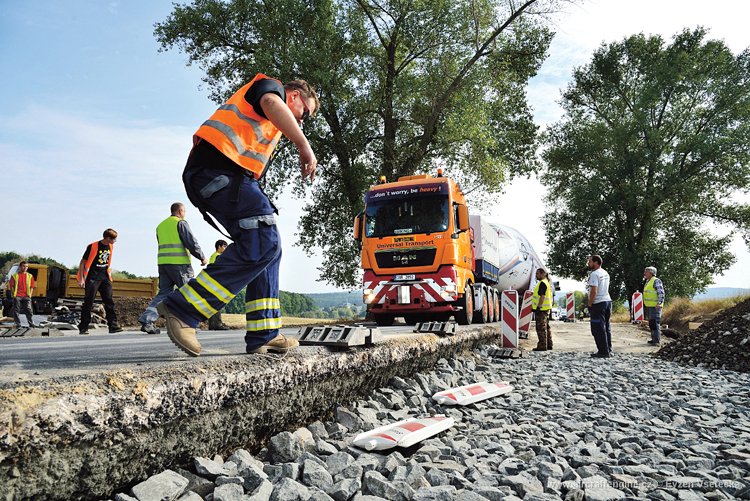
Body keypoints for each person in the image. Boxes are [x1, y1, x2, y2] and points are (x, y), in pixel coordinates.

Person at [156, 74, 319, 357]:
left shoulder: (270, 126)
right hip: (218, 171)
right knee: (263, 240)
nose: (302, 121)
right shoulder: (272, 89)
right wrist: (304, 145)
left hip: (225, 177)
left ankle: (263, 333)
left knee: (270, 248)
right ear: (294, 96)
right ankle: (182, 309)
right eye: (305, 112)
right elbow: (270, 101)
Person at [138, 202, 208, 335]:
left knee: (163, 293)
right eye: (184, 211)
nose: (184, 214)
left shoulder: (160, 226)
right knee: (189, 292)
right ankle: (187, 324)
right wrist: (202, 257)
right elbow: (191, 242)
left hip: (163, 263)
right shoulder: (180, 223)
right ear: (180, 211)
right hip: (179, 264)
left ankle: (147, 320)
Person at [77, 228, 123, 335]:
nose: (115, 241)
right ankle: (83, 327)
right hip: (93, 277)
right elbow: (82, 262)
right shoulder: (93, 246)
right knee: (89, 302)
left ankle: (113, 325)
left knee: (109, 301)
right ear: (107, 238)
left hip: (105, 277)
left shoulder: (111, 246)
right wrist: (82, 279)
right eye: (114, 239)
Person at [587, 254, 612, 358]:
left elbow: (594, 291)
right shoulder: (605, 273)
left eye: (590, 262)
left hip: (598, 304)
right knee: (606, 327)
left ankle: (603, 352)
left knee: (597, 328)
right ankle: (608, 349)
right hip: (607, 301)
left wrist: (590, 303)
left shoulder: (594, 274)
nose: (588, 263)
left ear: (596, 262)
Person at [207, 239, 230, 330]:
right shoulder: (218, 256)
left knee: (212, 304)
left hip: (211, 282)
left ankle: (212, 325)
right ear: (219, 247)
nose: (225, 249)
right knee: (217, 303)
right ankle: (217, 324)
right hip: (217, 282)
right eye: (224, 246)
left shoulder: (213, 256)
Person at [8, 261, 36, 328]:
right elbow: (11, 286)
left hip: (26, 296)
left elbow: (32, 286)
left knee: (29, 310)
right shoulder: (14, 276)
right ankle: (18, 324)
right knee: (16, 310)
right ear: (20, 267)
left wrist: (30, 295)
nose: (25, 268)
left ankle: (31, 324)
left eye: (26, 266)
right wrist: (13, 295)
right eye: (24, 266)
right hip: (17, 296)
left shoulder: (30, 276)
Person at [531, 267, 554, 351]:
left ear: (542, 274)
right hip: (546, 308)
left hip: (541, 309)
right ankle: (549, 344)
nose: (536, 275)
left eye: (537, 274)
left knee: (540, 328)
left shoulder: (542, 283)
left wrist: (538, 306)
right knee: (546, 327)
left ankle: (542, 345)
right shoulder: (546, 283)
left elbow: (542, 296)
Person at [643, 266, 665, 345]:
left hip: (655, 306)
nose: (644, 273)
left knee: (655, 323)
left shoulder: (656, 281)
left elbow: (661, 293)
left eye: (646, 271)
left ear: (651, 273)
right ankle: (654, 339)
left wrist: (659, 303)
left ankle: (656, 341)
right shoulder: (648, 281)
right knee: (652, 323)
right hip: (650, 306)